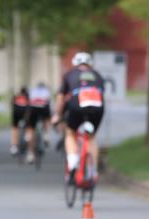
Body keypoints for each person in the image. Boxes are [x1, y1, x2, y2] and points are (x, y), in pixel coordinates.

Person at [53, 52, 106, 182]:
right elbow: (102, 94)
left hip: (77, 104)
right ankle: (93, 171)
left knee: (70, 133)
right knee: (92, 136)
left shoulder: (70, 74)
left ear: (75, 63)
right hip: (97, 106)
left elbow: (61, 98)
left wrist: (57, 115)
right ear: (90, 64)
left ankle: (73, 164)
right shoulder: (97, 75)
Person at [24, 81, 52, 163]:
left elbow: (28, 102)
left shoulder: (33, 90)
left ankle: (30, 154)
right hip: (43, 107)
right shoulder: (46, 91)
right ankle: (46, 135)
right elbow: (48, 101)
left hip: (33, 108)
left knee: (31, 129)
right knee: (46, 119)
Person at [9, 87, 29, 156]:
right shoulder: (27, 96)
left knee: (15, 128)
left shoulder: (16, 96)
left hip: (16, 112)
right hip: (25, 113)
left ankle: (14, 147)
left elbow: (11, 103)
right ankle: (27, 137)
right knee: (29, 127)